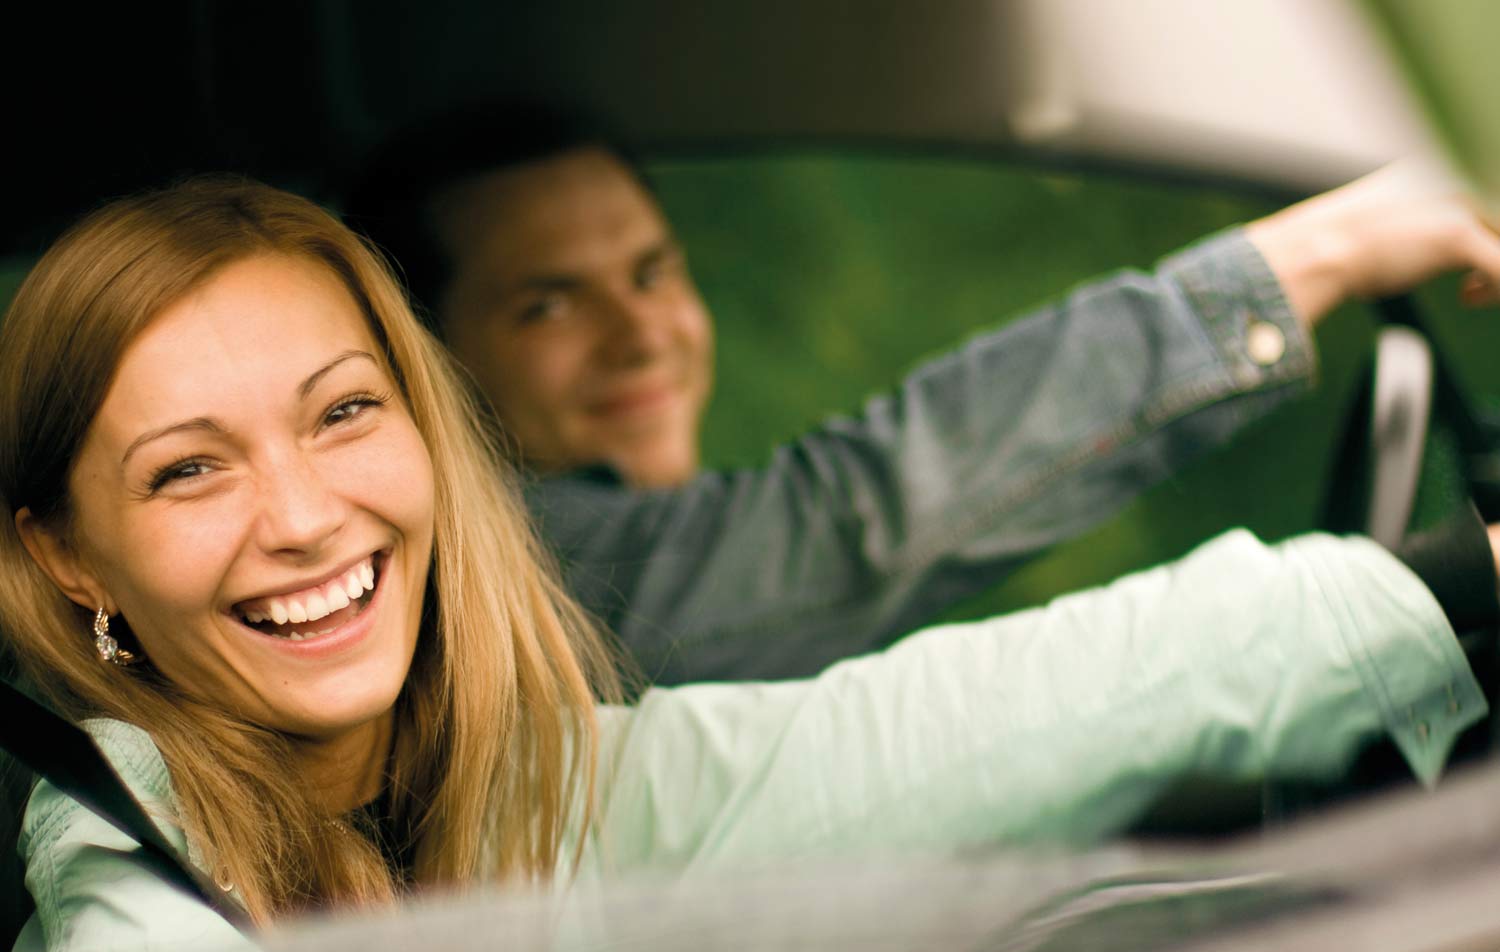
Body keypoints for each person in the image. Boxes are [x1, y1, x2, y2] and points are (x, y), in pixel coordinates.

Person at [0, 178, 1493, 952]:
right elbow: (849, 519)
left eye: (344, 413)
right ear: (69, 558)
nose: (306, 515)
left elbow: (969, 720)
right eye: (189, 469)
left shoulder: (546, 789)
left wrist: (1444, 590)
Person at [346, 107, 1500, 685]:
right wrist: (1323, 253)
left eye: (653, 272)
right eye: (547, 304)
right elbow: (849, 525)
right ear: (428, 369)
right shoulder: (492, 596)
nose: (642, 331)